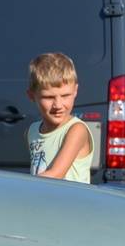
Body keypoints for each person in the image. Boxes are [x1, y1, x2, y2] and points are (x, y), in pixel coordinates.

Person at [24, 52, 95, 182]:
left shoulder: (76, 130)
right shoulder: (32, 131)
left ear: (75, 91)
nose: (58, 105)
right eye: (49, 97)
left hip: (71, 202)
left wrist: (17, 186)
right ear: (31, 96)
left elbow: (55, 175)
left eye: (65, 95)